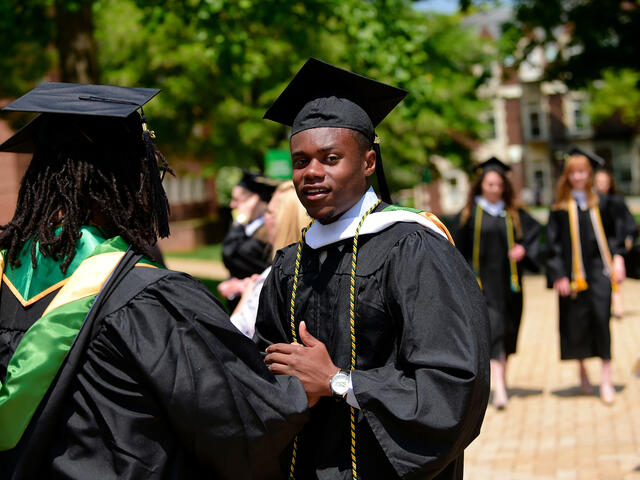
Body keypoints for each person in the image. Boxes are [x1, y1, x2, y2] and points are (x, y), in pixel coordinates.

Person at [0, 82, 307, 479]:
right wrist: (301, 387)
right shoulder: (149, 297)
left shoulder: (7, 272)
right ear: (129, 176)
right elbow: (237, 424)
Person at [255, 58, 490, 480]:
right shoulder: (290, 265)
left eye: (330, 158)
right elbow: (265, 366)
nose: (312, 173)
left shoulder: (412, 248)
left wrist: (337, 382)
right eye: (300, 160)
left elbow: (454, 387)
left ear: (367, 163)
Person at [454, 157, 541, 410]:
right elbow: (456, 249)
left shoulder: (513, 213)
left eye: (498, 185)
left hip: (510, 286)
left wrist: (523, 250)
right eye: (490, 184)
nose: (494, 189)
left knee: (507, 331)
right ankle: (499, 387)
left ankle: (502, 378)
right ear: (481, 185)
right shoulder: (469, 215)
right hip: (482, 286)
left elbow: (534, 234)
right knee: (493, 331)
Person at [546, 147, 626, 405]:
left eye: (582, 172)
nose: (578, 177)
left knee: (602, 320)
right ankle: (582, 370)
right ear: (567, 176)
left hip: (599, 272)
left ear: (589, 174)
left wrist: (618, 258)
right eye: (573, 173)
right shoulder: (559, 208)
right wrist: (558, 274)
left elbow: (617, 234)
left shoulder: (603, 202)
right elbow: (554, 245)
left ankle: (605, 378)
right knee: (575, 324)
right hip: (572, 275)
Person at [230, 181, 310, 338]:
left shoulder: (271, 280)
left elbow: (231, 338)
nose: (264, 217)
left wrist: (247, 295)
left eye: (269, 212)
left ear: (282, 222)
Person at [593, 168, 638, 317]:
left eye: (605, 182)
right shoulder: (591, 202)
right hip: (597, 244)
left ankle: (617, 305)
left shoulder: (616, 201)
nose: (602, 185)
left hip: (614, 244)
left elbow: (628, 222)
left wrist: (629, 238)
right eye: (599, 182)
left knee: (615, 276)